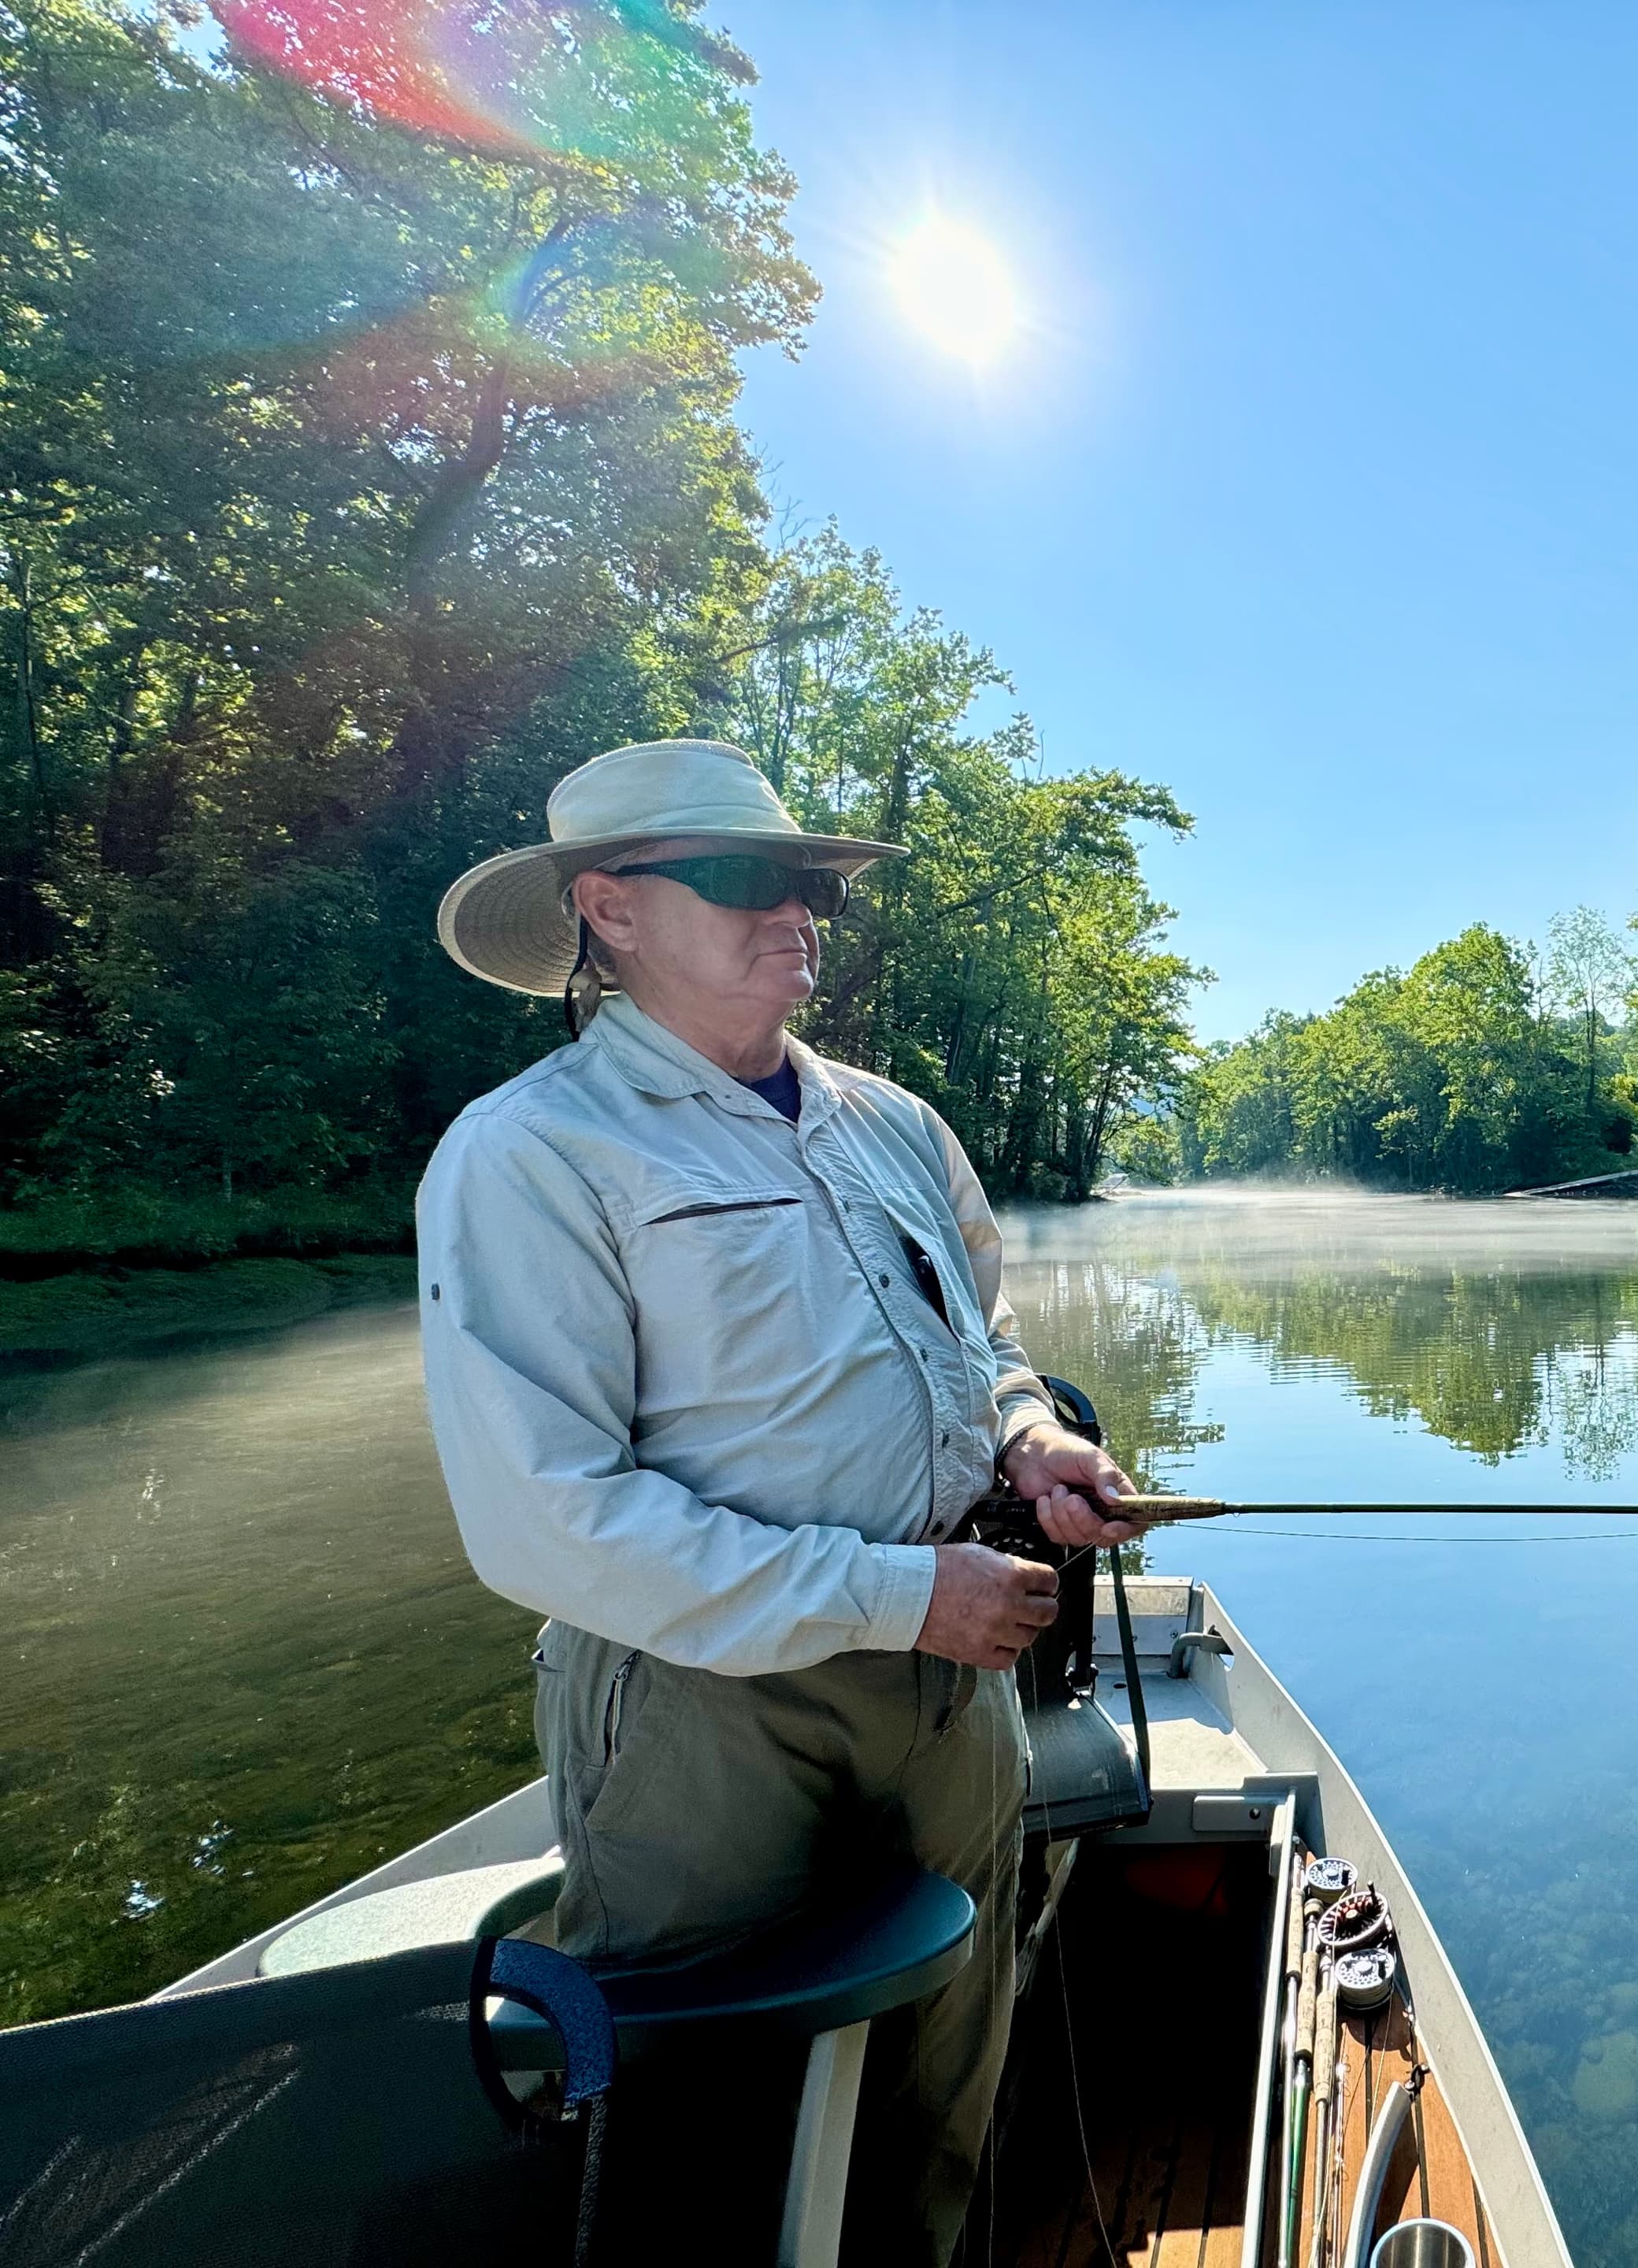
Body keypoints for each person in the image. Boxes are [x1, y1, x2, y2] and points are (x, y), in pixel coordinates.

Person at [416, 738, 1146, 2262]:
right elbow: (544, 1522)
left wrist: (1026, 1445)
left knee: (953, 2064)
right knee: (708, 2117)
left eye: (808, 883)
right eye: (749, 881)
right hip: (699, 1723)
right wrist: (904, 1596)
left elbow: (982, 1335)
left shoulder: (894, 1125)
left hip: (958, 1679)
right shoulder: (531, 1158)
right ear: (608, 913)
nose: (799, 913)